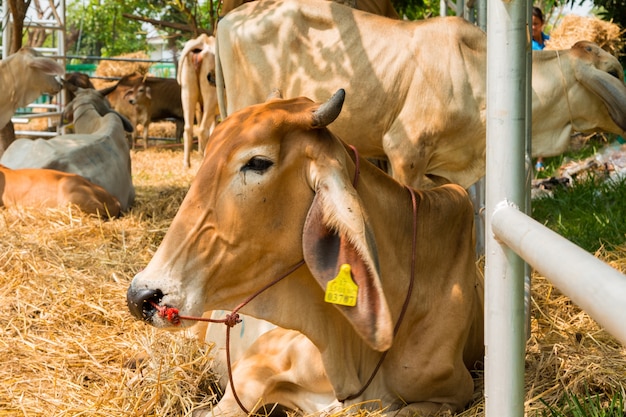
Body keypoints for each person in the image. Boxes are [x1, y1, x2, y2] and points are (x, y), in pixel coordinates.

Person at [532, 7, 550, 171]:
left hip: (548, 87)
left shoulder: (550, 41)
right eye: (530, 24)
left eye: (536, 24)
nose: (533, 27)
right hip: (532, 87)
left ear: (542, 24)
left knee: (545, 122)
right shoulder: (525, 44)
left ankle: (540, 160)